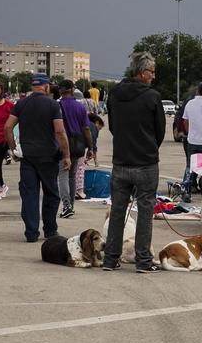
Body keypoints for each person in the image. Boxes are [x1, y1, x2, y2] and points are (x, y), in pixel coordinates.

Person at [103, 53, 165, 272]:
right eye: (152, 72)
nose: (153, 76)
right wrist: (147, 148)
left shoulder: (114, 94)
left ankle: (110, 260)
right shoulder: (152, 96)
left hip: (120, 162)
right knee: (145, 214)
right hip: (146, 163)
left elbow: (112, 126)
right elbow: (160, 131)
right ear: (142, 72)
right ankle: (143, 261)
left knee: (117, 213)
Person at [8, 74, 70, 243]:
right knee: (51, 194)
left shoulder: (21, 104)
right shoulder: (52, 105)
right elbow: (59, 132)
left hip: (27, 157)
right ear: (46, 87)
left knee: (29, 195)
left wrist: (14, 150)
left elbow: (8, 127)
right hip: (48, 157)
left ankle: (31, 233)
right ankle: (50, 231)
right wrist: (67, 155)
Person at [57, 80, 94, 219]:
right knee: (72, 175)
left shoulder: (57, 106)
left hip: (60, 144)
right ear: (72, 90)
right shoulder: (80, 107)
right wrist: (90, 147)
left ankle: (66, 206)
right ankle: (71, 205)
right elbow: (86, 128)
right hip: (77, 145)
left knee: (62, 174)